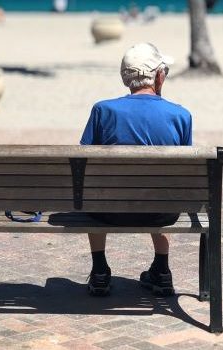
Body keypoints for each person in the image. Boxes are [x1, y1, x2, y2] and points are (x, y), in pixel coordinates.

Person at [79, 43, 192, 297]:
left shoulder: (103, 110)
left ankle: (99, 271)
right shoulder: (181, 116)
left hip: (108, 212)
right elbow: (182, 175)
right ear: (159, 76)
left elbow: (83, 161)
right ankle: (162, 270)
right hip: (161, 213)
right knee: (162, 187)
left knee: (95, 190)